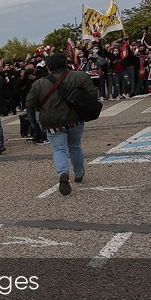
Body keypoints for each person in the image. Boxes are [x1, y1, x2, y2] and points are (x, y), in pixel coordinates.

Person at [26, 53, 98, 195]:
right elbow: (93, 94)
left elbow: (29, 103)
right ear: (65, 63)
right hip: (75, 119)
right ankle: (79, 173)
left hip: (52, 122)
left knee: (59, 149)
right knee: (75, 146)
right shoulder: (80, 76)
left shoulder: (39, 84)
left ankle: (63, 173)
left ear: (48, 67)